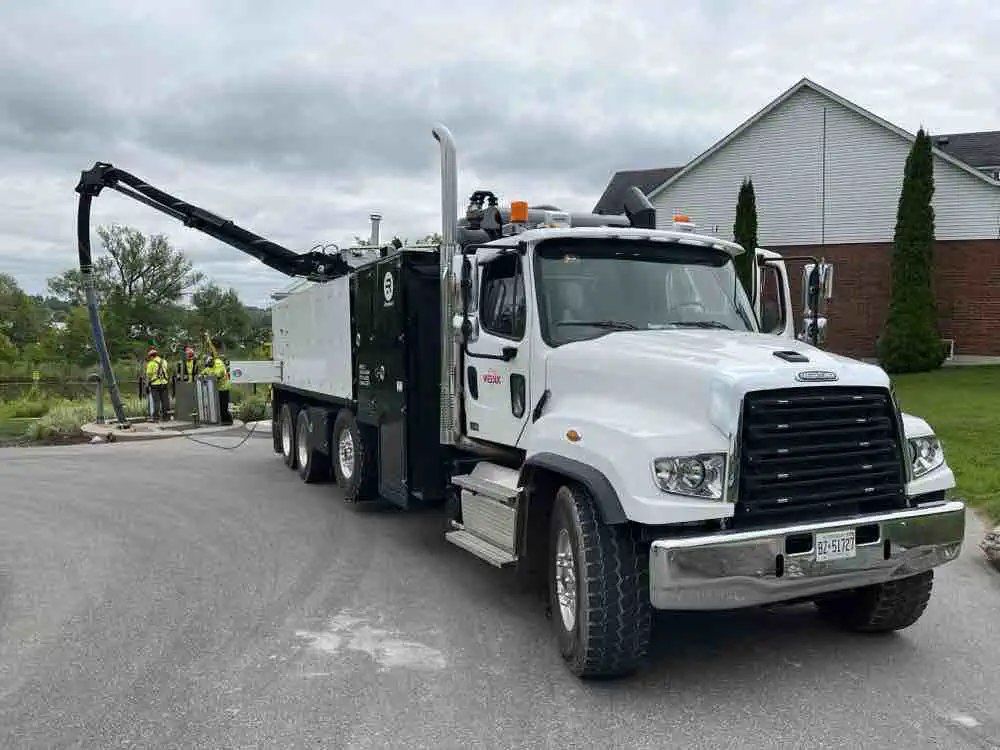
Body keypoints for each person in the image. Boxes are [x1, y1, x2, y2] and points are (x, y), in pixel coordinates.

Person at [201, 351, 233, 425]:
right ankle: (221, 420)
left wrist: (207, 376)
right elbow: (206, 370)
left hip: (224, 387)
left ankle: (228, 421)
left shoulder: (218, 363)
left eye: (209, 364)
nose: (208, 366)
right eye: (207, 365)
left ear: (212, 361)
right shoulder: (210, 366)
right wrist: (202, 374)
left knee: (223, 406)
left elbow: (217, 375)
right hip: (217, 389)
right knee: (218, 406)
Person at [145, 347, 170, 421]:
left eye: (150, 357)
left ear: (151, 356)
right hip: (164, 383)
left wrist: (146, 385)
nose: (149, 358)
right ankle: (165, 417)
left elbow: (148, 376)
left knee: (156, 401)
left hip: (155, 384)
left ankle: (155, 417)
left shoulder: (151, 364)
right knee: (164, 400)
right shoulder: (164, 361)